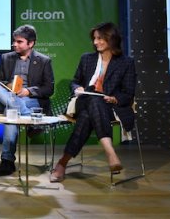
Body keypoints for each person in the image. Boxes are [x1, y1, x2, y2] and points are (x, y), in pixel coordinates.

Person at [50, 22, 136, 182]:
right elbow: (74, 81)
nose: (95, 42)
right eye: (94, 39)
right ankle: (110, 153)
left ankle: (62, 163)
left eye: (100, 38)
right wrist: (78, 88)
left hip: (110, 106)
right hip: (84, 100)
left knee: (86, 117)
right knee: (93, 101)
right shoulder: (87, 59)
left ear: (111, 39)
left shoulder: (126, 62)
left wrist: (114, 98)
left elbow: (129, 93)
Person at [0, 25, 54, 176]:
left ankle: (7, 161)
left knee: (11, 112)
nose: (15, 44)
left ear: (30, 43)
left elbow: (48, 88)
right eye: (14, 41)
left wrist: (28, 91)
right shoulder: (6, 58)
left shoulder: (44, 61)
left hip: (29, 99)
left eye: (19, 42)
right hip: (7, 96)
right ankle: (28, 119)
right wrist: (8, 86)